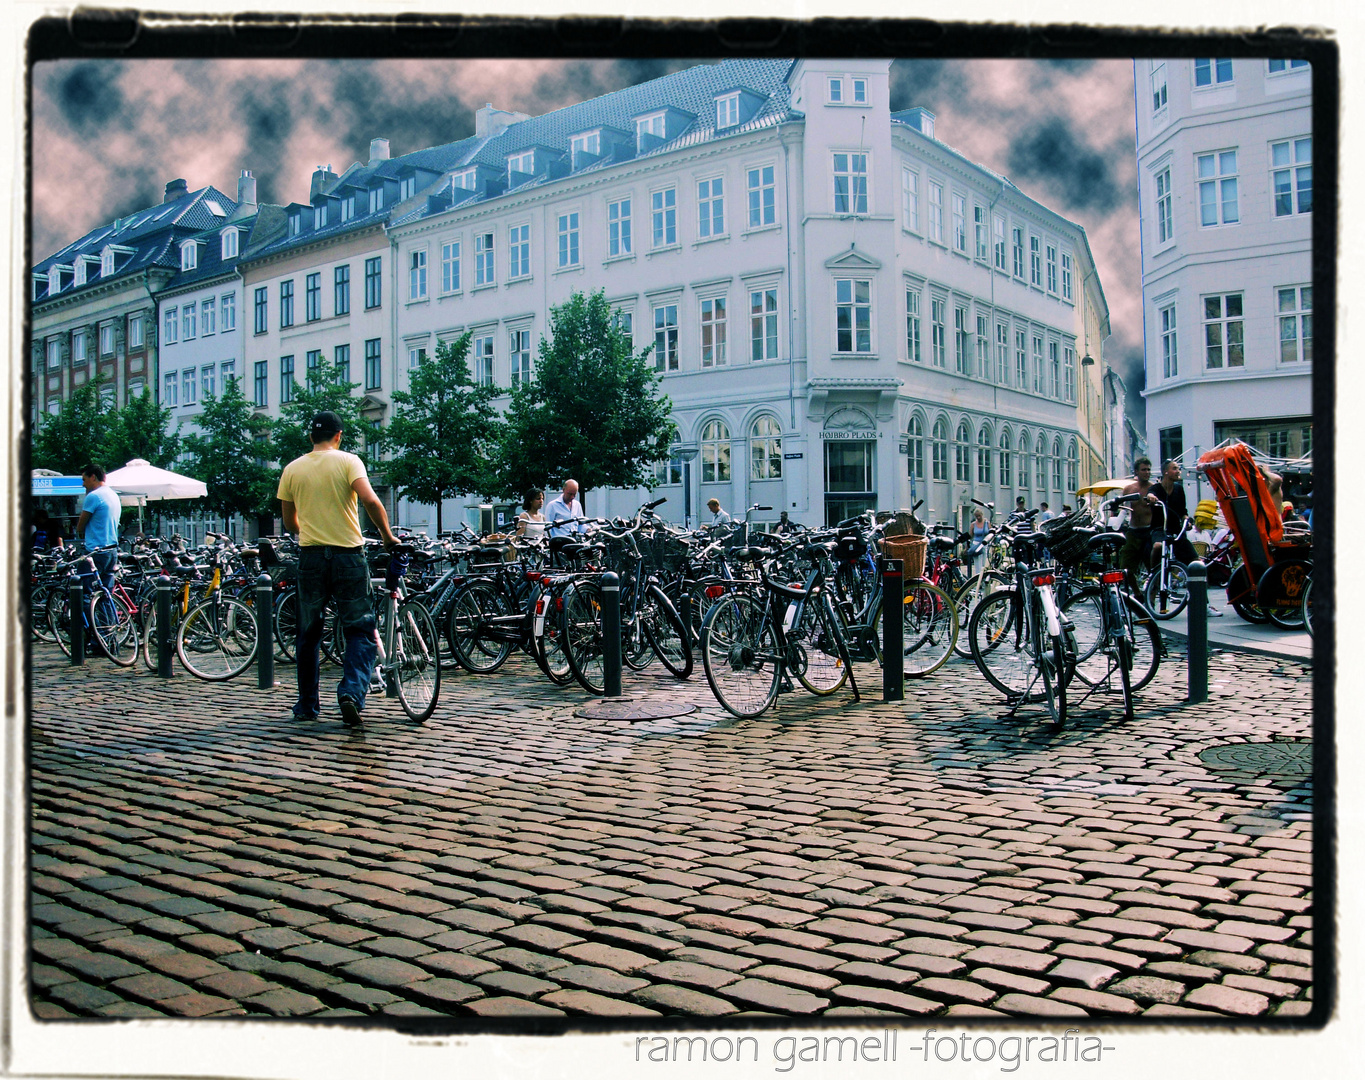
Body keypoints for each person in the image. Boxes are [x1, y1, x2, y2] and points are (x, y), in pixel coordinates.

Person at [277, 411, 399, 726]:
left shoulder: (292, 469)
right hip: (348, 555)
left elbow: (290, 523)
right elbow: (370, 501)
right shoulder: (349, 462)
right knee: (359, 629)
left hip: (311, 558)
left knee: (309, 633)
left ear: (310, 437)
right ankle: (350, 692)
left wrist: (311, 526)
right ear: (339, 436)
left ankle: (306, 706)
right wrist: (387, 536)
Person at [75, 464, 121, 590]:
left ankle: (85, 611)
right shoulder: (113, 495)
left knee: (83, 590)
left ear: (93, 477)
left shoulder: (94, 496)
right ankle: (109, 611)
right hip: (111, 550)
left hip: (96, 551)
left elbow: (80, 526)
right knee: (105, 593)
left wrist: (81, 532)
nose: (83, 484)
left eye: (84, 479)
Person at [1118, 456, 1161, 583]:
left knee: (1153, 567)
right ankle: (1137, 594)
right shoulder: (1129, 489)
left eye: (1148, 470)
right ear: (1136, 471)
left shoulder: (1154, 489)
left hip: (1149, 531)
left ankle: (1151, 597)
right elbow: (1123, 509)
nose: (1147, 472)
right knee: (1125, 567)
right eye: (1143, 470)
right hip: (1134, 531)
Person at [966, 508, 988, 575]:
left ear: (982, 515)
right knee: (978, 565)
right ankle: (978, 580)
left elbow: (991, 534)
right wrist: (967, 547)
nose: (978, 517)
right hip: (976, 544)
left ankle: (983, 580)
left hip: (985, 544)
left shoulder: (987, 523)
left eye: (979, 516)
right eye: (976, 516)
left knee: (984, 565)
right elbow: (970, 536)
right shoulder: (973, 524)